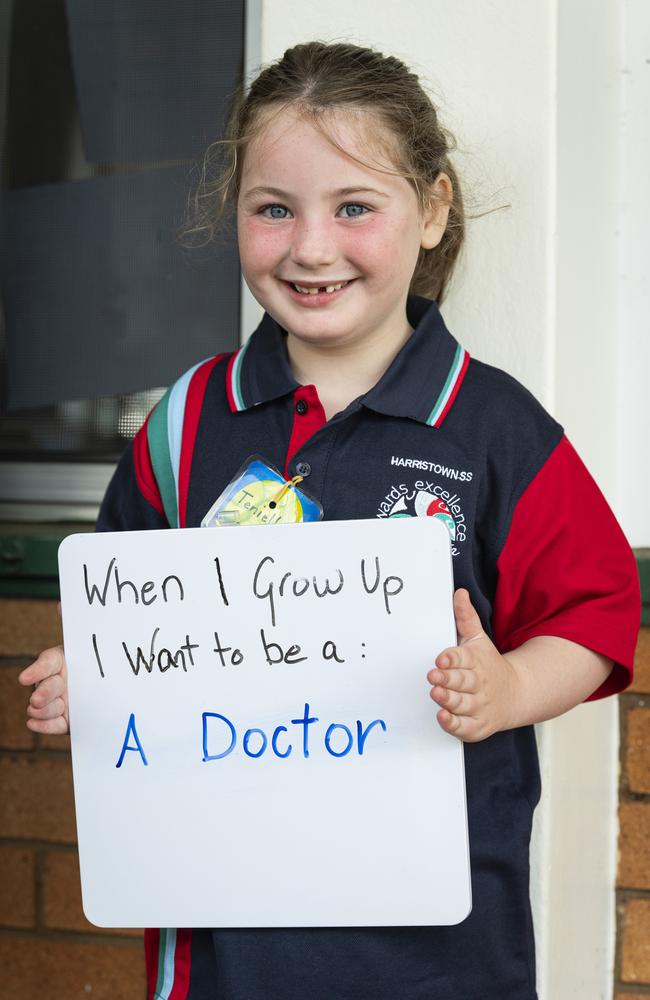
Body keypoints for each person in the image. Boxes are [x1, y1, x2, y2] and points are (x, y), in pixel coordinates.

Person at [19, 40, 639, 1000]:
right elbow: (128, 612)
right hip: (224, 937)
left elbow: (596, 611)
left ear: (430, 211)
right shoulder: (189, 419)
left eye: (354, 207)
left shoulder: (494, 426)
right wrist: (91, 678)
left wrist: (508, 688)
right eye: (274, 209)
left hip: (439, 954)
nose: (311, 247)